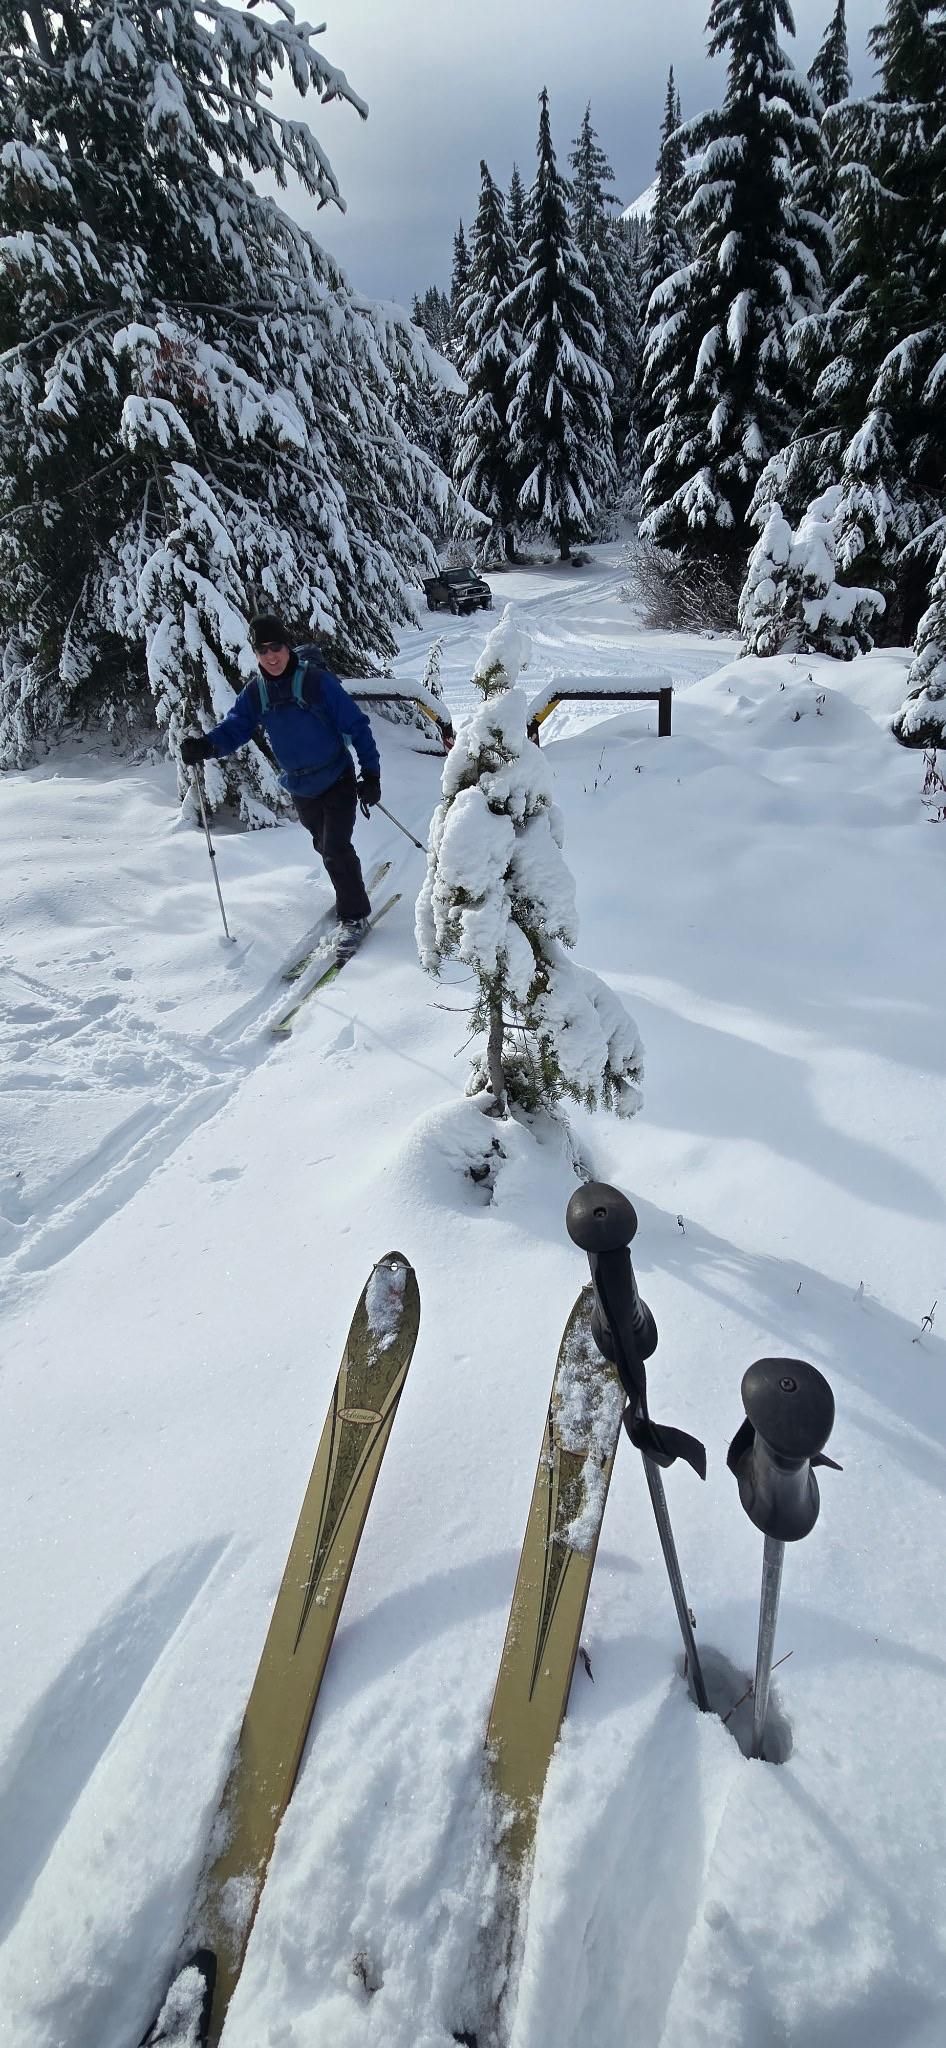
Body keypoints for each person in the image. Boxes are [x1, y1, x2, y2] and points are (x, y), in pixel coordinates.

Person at [181, 614, 382, 962]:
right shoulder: (256, 692)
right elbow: (236, 727)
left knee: (335, 847)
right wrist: (206, 747)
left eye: (276, 647)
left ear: (287, 647)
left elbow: (357, 726)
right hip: (301, 786)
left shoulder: (318, 683)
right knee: (324, 845)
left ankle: (354, 916)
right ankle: (347, 888)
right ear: (256, 654)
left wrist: (372, 774)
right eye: (262, 650)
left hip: (337, 777)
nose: (271, 656)